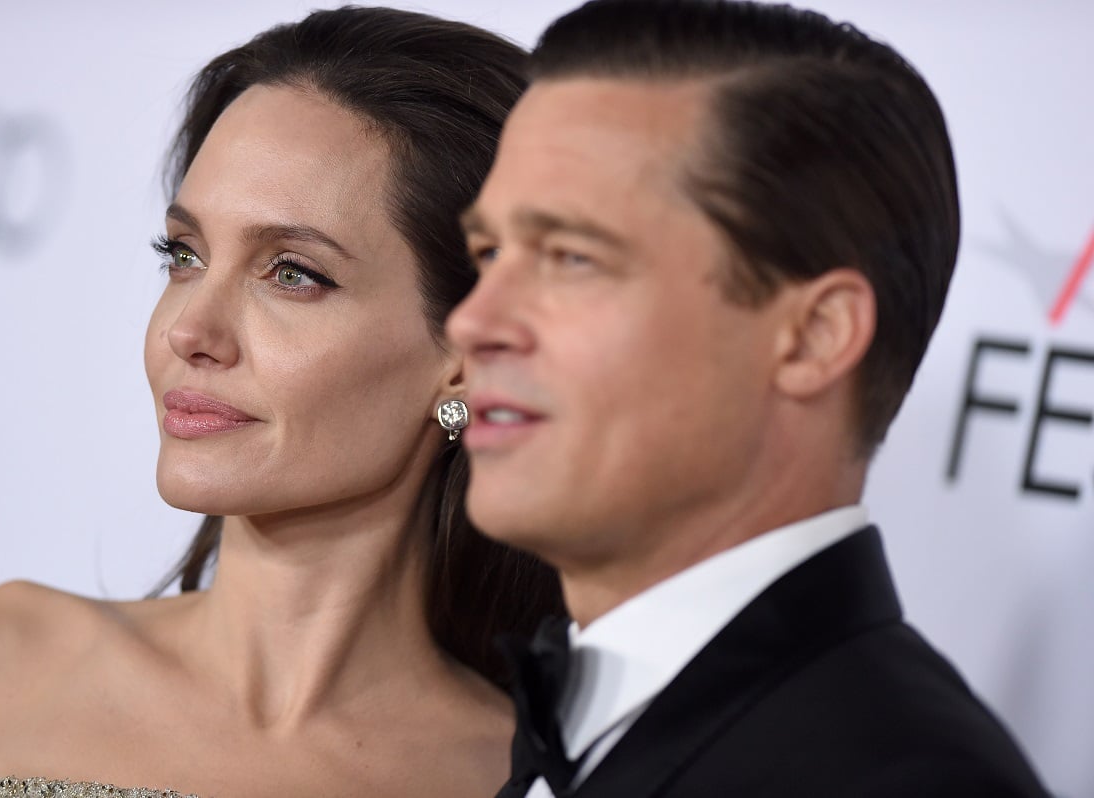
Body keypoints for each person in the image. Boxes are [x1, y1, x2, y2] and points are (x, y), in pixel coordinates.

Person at [0, 8, 561, 797]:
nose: (189, 330)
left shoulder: (523, 778)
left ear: (466, 357)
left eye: (291, 274)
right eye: (185, 256)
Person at [446, 1, 1052, 796]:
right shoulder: (575, 721)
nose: (473, 319)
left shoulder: (911, 781)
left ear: (812, 338)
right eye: (489, 252)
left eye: (571, 257)